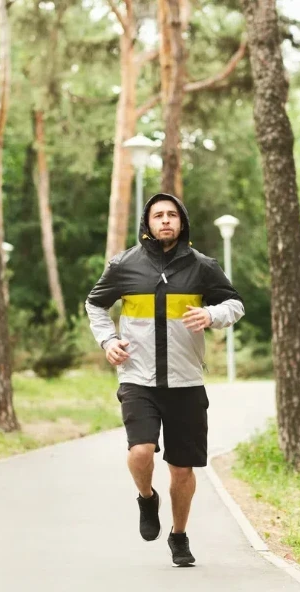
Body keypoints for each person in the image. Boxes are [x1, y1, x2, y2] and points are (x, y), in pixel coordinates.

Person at [85, 193, 245, 567]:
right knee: (141, 451)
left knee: (182, 468)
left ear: (182, 222)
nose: (166, 220)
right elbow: (95, 304)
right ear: (148, 223)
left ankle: (179, 535)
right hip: (137, 377)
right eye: (158, 215)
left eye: (172, 215)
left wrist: (210, 315)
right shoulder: (123, 265)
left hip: (186, 381)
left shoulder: (202, 266)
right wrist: (107, 340)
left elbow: (234, 304)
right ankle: (146, 498)